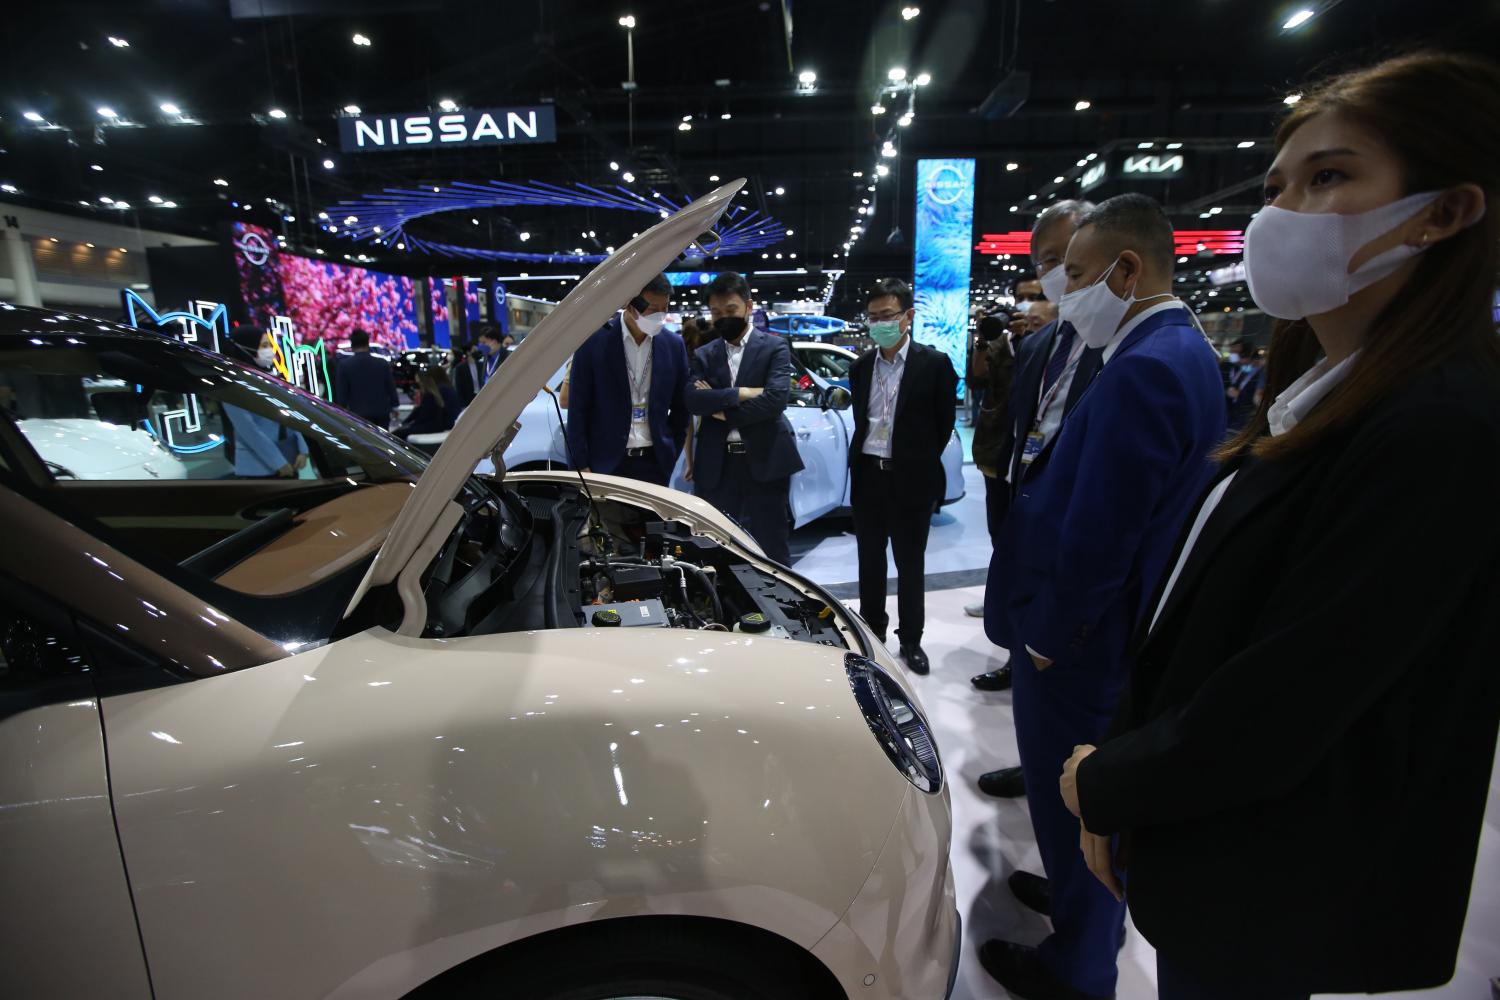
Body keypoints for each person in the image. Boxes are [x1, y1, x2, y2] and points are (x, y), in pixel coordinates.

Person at [1063, 51, 1500, 1000]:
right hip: (1206, 830)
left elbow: (1291, 694)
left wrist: (1109, 782)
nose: (1280, 213)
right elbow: (1209, 614)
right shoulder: (1317, 396)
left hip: (1266, 859)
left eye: (1330, 177)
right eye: (1277, 184)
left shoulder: (1441, 428)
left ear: (1445, 211)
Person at [978, 193, 1226, 1000]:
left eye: (1075, 274)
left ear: (1127, 268)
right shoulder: (1177, 349)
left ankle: (1076, 969)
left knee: (1075, 800)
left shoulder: (1144, 366)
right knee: (1070, 805)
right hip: (1105, 630)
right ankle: (1076, 909)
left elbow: (1102, 531)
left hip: (1084, 642)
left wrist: (1049, 637)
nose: (1062, 290)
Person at [968, 201, 1097, 701]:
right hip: (1018, 486)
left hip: (1074, 511)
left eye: (1064, 257)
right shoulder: (1042, 343)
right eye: (1044, 262)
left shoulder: (1121, 347)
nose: (1055, 273)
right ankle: (1017, 658)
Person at [847, 278, 958, 674]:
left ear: (908, 316)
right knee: (869, 562)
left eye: (888, 316)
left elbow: (943, 425)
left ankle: (911, 639)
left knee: (910, 564)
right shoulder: (860, 368)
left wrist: (917, 461)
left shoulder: (935, 364)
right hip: (868, 476)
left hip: (910, 481)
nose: (880, 324)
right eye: (873, 317)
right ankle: (872, 634)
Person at [685, 272, 803, 565]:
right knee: (715, 547)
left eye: (730, 310)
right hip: (717, 465)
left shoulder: (775, 347)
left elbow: (775, 401)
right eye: (716, 312)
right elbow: (692, 400)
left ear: (749, 307)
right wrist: (742, 393)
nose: (723, 317)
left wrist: (720, 406)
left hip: (766, 461)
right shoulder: (704, 354)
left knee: (772, 547)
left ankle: (779, 609)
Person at [566, 274, 691, 486]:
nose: (660, 316)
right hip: (605, 465)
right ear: (630, 305)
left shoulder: (674, 346)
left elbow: (681, 408)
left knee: (651, 520)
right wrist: (580, 465)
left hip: (655, 463)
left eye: (665, 308)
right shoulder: (592, 343)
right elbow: (578, 409)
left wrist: (670, 453)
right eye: (652, 309)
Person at [225, 332, 310, 478]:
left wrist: (303, 449)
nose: (270, 350)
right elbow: (248, 430)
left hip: (291, 459)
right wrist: (278, 462)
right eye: (264, 345)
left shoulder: (272, 379)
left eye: (270, 345)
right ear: (244, 349)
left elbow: (292, 415)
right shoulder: (232, 388)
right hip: (259, 467)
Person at [334, 328, 399, 429]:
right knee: (382, 442)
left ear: (352, 345)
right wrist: (395, 405)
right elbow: (390, 387)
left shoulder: (344, 366)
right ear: (367, 343)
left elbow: (342, 393)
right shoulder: (382, 363)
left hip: (358, 414)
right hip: (382, 412)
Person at [395, 368, 459, 439]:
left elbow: (424, 414)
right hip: (442, 424)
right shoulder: (443, 389)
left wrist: (410, 425)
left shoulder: (437, 392)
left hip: (441, 424)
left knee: (398, 433)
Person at [1225, 346, 1266, 430]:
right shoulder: (1245, 369)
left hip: (1245, 415)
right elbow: (1236, 384)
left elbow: (1256, 395)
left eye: (1247, 362)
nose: (1246, 364)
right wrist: (1230, 390)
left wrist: (1239, 395)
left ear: (1255, 360)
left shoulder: (1262, 374)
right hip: (1234, 411)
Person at [451, 343, 483, 408]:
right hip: (468, 400)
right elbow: (458, 387)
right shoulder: (460, 368)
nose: (477, 352)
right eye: (474, 350)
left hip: (481, 396)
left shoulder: (481, 365)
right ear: (468, 352)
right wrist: (462, 404)